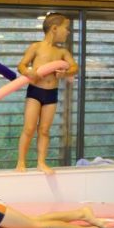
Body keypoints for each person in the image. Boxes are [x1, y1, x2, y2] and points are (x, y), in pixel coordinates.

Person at [15, 12, 78, 175]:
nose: (68, 32)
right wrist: (29, 72)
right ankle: (21, 161)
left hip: (51, 94)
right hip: (35, 92)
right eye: (67, 28)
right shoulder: (36, 47)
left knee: (44, 130)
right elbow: (21, 65)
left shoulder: (62, 52)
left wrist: (65, 73)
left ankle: (41, 162)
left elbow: (74, 67)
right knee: (29, 128)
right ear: (55, 28)